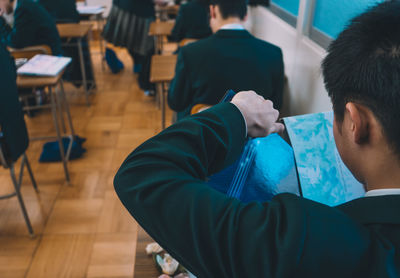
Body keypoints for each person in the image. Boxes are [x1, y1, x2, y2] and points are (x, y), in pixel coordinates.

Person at [114, 1, 400, 277]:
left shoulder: (300, 238)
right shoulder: (272, 52)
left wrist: (236, 114)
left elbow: (141, 172)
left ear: (355, 123)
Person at [168, 0, 284, 120]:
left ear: (212, 11)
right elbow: (276, 105)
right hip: (253, 135)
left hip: (204, 133)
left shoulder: (190, 53)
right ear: (245, 16)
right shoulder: (273, 53)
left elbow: (175, 102)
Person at [102, 0, 159, 95]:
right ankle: (143, 73)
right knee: (144, 43)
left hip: (127, 6)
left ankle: (138, 65)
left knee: (131, 39)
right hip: (134, 9)